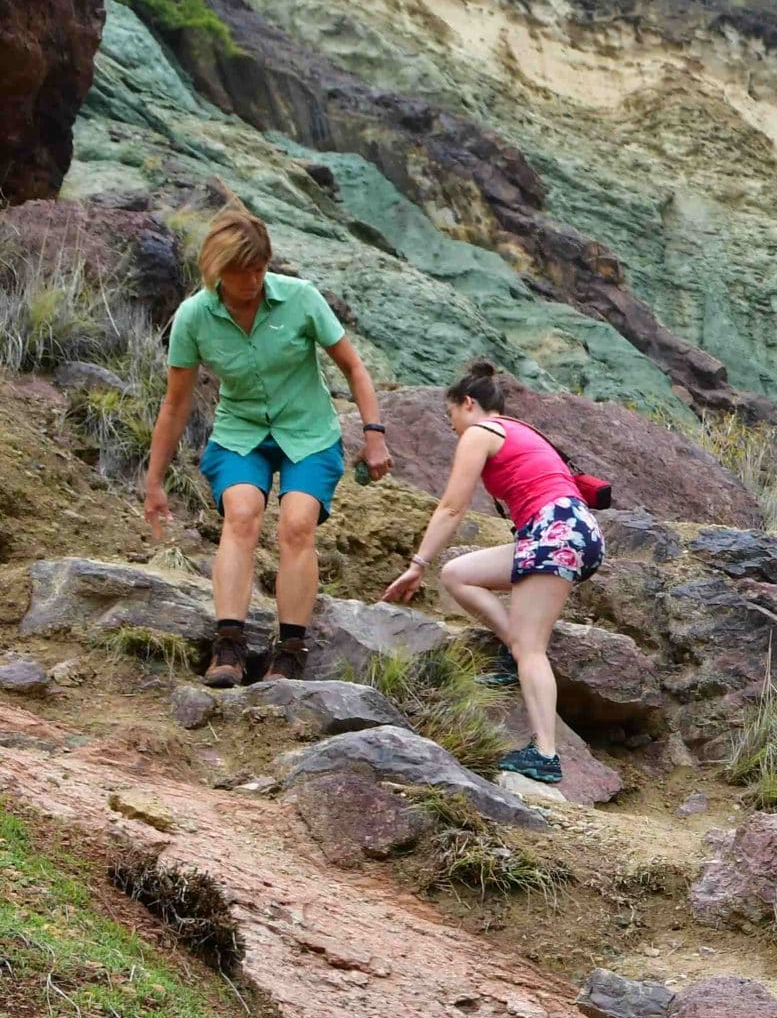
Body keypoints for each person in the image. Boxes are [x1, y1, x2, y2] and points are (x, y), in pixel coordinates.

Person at [141, 205, 392, 686]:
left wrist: (374, 433)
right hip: (241, 432)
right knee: (242, 514)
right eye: (242, 273)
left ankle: (291, 649)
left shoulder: (300, 299)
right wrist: (154, 480)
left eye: (260, 269)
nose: (253, 281)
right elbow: (175, 405)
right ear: (218, 271)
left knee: (298, 525)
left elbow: (354, 368)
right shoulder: (194, 317)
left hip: (309, 432)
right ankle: (229, 645)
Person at [381, 363, 605, 787]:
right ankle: (513, 647)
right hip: (570, 531)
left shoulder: (481, 433)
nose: (452, 428)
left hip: (555, 533)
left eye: (452, 417)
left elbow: (451, 507)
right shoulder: (522, 431)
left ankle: (544, 754)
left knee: (533, 647)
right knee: (458, 574)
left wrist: (417, 564)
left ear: (469, 404)